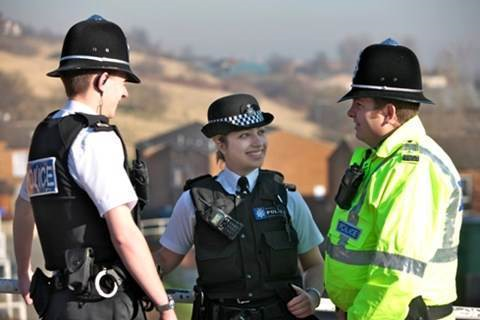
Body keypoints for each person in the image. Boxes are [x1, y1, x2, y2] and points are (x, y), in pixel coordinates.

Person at [13, 15, 177, 320]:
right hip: (103, 303)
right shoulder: (94, 139)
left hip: (59, 304)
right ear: (102, 81)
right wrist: (165, 306)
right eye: (121, 82)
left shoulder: (46, 135)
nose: (125, 93)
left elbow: (24, 209)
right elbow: (124, 234)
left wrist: (23, 272)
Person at [324, 39, 463, 320]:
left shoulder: (413, 170)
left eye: (359, 104)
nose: (351, 112)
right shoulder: (380, 159)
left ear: (388, 114)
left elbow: (396, 274)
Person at [156, 93, 324, 319]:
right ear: (219, 142)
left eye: (261, 133)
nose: (258, 142)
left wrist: (312, 296)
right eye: (245, 135)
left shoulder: (287, 197)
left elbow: (315, 264)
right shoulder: (193, 201)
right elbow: (164, 261)